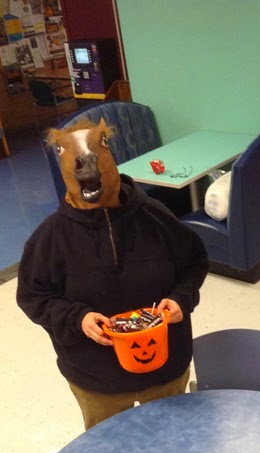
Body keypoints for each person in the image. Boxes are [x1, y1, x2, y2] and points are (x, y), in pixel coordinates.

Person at [17, 117, 208, 429]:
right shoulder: (50, 238)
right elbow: (33, 296)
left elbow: (194, 262)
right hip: (96, 381)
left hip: (165, 371)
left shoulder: (155, 218)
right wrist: (76, 318)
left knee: (173, 445)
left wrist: (181, 298)